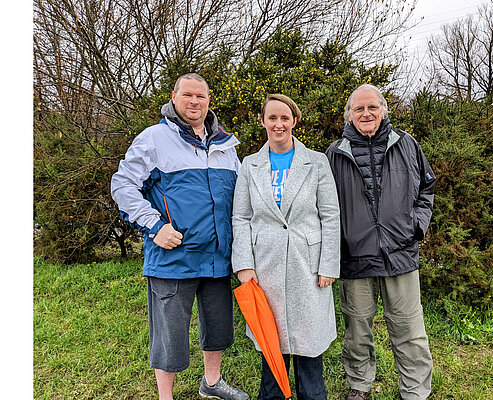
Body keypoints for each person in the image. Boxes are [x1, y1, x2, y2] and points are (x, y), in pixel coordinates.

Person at [111, 73, 249, 400]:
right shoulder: (154, 139)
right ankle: (165, 397)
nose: (194, 102)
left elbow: (243, 197)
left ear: (209, 100)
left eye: (200, 96)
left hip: (218, 258)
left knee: (217, 328)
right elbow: (123, 186)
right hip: (174, 258)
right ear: (174, 98)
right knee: (170, 337)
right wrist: (155, 227)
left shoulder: (226, 145)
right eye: (187, 95)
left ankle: (212, 383)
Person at [325, 84, 436, 400]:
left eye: (372, 107)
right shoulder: (335, 153)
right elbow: (325, 204)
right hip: (355, 257)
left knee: (409, 331)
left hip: (400, 253)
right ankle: (359, 385)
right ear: (349, 115)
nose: (366, 113)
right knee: (357, 331)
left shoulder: (407, 144)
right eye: (358, 109)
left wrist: (416, 225)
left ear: (383, 110)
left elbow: (427, 187)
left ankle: (414, 391)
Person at [231, 94, 340, 400]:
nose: (278, 124)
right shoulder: (249, 165)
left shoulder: (316, 162)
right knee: (271, 345)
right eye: (272, 118)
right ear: (262, 121)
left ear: (294, 121)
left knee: (309, 349)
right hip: (265, 266)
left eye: (284, 118)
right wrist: (244, 264)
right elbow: (240, 217)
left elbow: (330, 214)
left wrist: (328, 264)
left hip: (309, 265)